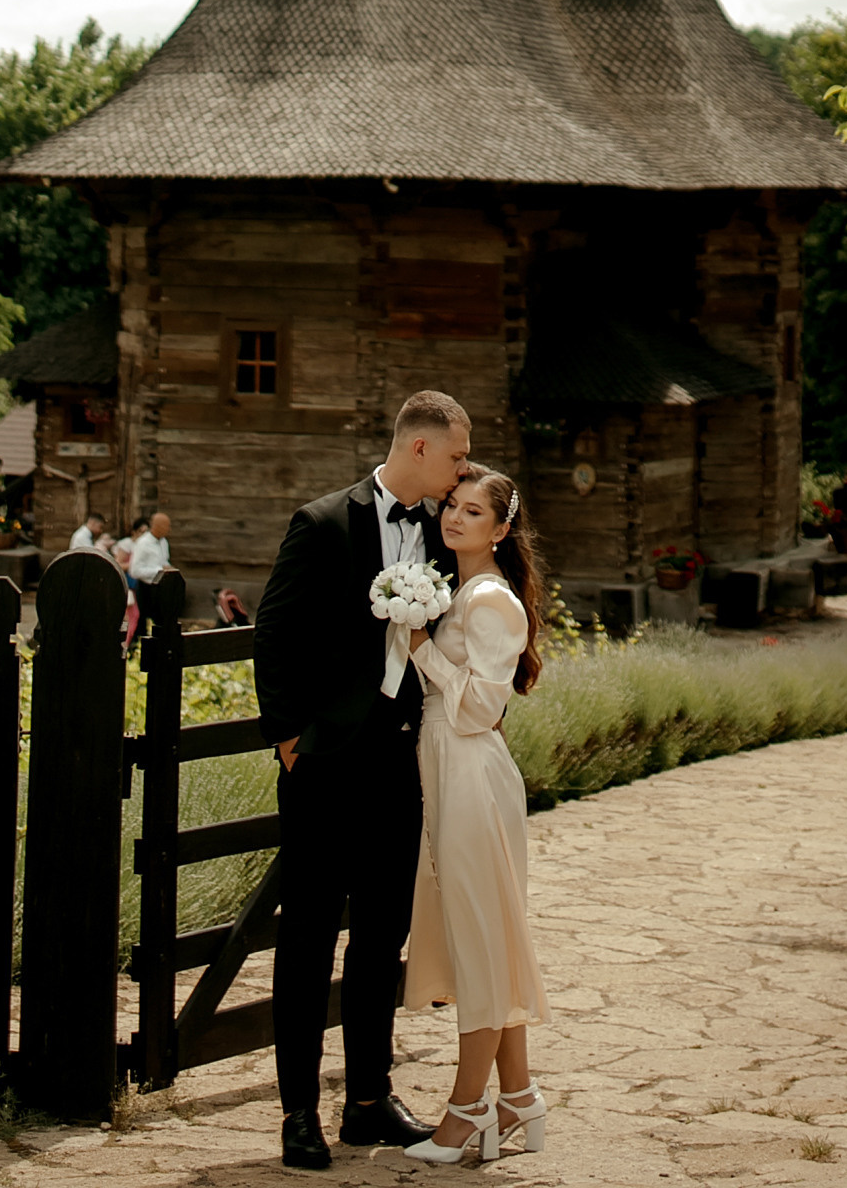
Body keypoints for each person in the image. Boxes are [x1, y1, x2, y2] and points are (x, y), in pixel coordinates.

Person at [254, 388, 475, 1171]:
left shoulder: (442, 535)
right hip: (323, 763)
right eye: (455, 456)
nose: (460, 472)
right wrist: (288, 738)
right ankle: (297, 1113)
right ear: (418, 448)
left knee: (383, 935)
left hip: (401, 759)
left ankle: (368, 1103)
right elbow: (274, 632)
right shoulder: (321, 523)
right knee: (308, 938)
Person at [400, 468, 550, 1164]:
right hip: (447, 768)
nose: (454, 519)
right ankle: (517, 1095)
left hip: (472, 774)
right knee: (484, 935)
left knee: (480, 941)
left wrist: (421, 650)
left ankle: (466, 1112)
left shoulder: (491, 601)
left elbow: (482, 707)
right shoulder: (457, 589)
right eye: (451, 507)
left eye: (472, 511)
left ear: (501, 529)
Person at [128, 509, 173, 634]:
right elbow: (134, 570)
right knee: (144, 625)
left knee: (161, 624)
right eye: (166, 526)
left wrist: (170, 569)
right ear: (157, 526)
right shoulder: (143, 543)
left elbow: (164, 561)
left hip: (161, 590)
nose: (169, 530)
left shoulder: (164, 542)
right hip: (146, 589)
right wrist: (159, 571)